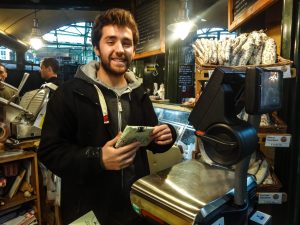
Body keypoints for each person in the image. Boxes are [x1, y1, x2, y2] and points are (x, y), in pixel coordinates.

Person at [38, 8, 177, 225]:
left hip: (134, 207)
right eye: (111, 41)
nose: (120, 49)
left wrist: (167, 135)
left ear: (133, 50)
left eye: (127, 43)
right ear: (96, 47)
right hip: (86, 210)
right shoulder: (69, 93)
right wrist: (98, 158)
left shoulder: (139, 93)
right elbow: (49, 152)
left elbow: (150, 140)